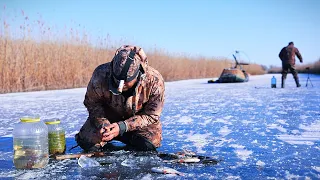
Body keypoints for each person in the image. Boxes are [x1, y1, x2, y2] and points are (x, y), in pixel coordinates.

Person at [75, 45, 165, 152]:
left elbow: (151, 115)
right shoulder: (100, 74)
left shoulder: (154, 81)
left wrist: (123, 127)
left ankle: (132, 139)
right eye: (116, 80)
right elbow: (92, 103)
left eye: (126, 82)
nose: (120, 87)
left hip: (138, 123)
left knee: (148, 144)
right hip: (109, 118)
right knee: (86, 142)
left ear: (137, 75)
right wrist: (103, 124)